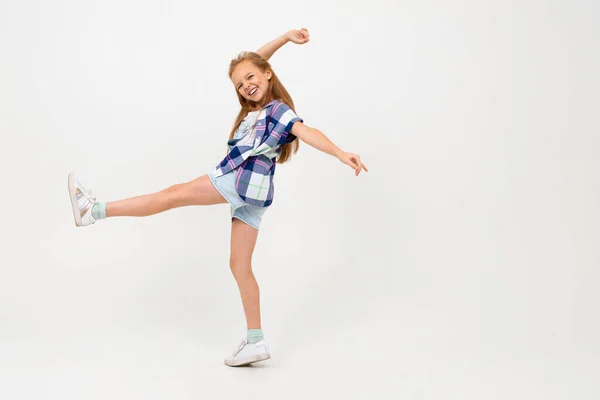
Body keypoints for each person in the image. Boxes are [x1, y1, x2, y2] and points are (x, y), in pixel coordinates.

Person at [67, 28, 368, 367]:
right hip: (255, 194)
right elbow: (253, 63)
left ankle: (93, 210)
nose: (245, 86)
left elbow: (307, 132)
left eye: (251, 78)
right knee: (240, 266)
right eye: (239, 84)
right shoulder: (255, 105)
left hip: (238, 180)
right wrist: (283, 38)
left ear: (268, 73)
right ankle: (256, 341)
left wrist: (341, 153)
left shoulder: (277, 110)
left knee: (171, 195)